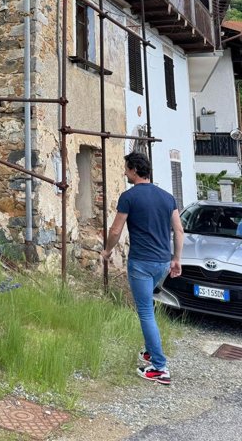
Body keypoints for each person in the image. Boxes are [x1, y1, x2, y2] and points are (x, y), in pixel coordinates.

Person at [101, 151, 184, 386]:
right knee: (148, 308)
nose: (125, 172)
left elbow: (116, 230)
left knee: (145, 312)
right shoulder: (167, 197)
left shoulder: (129, 197)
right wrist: (176, 259)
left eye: (126, 169)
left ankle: (159, 367)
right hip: (162, 263)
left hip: (141, 263)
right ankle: (150, 350)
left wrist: (107, 251)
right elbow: (178, 230)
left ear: (134, 170)